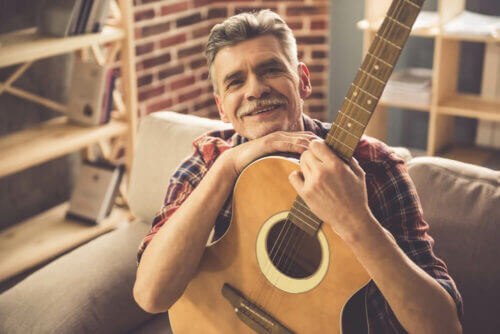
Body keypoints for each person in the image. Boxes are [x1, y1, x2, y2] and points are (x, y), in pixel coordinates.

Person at [133, 10, 463, 333]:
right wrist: (228, 167)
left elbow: (443, 327)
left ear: (302, 80)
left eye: (270, 69)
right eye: (236, 81)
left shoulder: (375, 164)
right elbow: (151, 295)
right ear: (221, 107)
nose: (255, 90)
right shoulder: (208, 159)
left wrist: (356, 221)